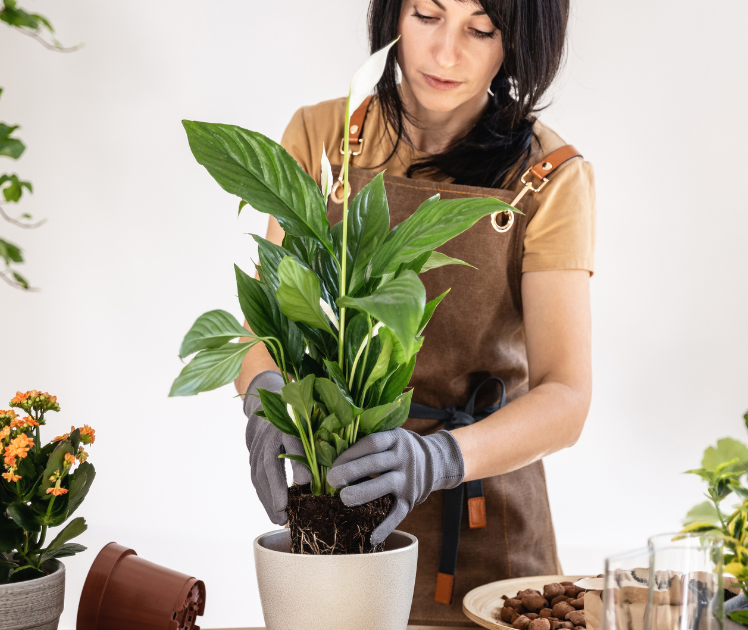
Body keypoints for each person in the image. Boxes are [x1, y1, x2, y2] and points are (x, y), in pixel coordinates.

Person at [237, 0, 594, 624]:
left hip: (486, 527)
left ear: (522, 42)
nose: (445, 52)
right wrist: (264, 398)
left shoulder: (548, 176)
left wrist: (439, 458)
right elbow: (269, 318)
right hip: (340, 515)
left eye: (480, 29)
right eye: (427, 14)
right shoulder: (325, 137)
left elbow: (566, 396)